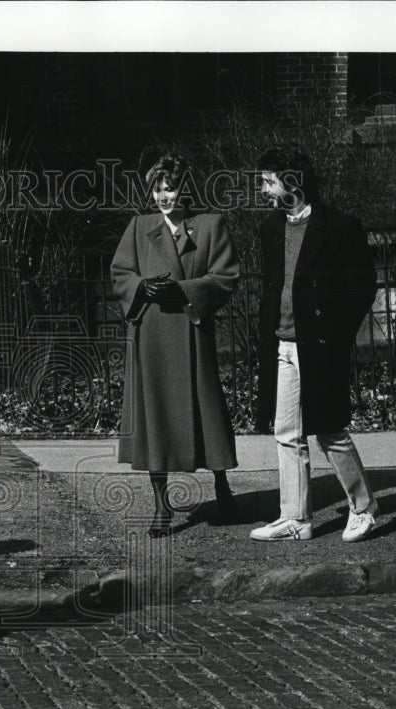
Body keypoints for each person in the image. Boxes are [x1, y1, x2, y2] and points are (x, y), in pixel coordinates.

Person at [251, 146, 379, 542]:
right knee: (286, 433)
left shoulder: (340, 227)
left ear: (292, 183)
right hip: (283, 346)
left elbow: (362, 289)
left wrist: (336, 335)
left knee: (329, 430)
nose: (264, 191)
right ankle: (296, 518)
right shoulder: (271, 228)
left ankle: (364, 507)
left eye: (269, 182)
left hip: (320, 346)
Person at [110, 153, 241, 537]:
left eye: (172, 188)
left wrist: (183, 290)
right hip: (151, 335)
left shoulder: (209, 226)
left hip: (190, 329)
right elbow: (120, 272)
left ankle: (222, 485)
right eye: (158, 189)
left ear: (187, 191)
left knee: (207, 412)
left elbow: (225, 276)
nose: (164, 196)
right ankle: (161, 505)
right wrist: (140, 287)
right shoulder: (140, 227)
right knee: (156, 417)